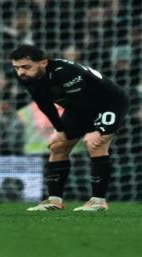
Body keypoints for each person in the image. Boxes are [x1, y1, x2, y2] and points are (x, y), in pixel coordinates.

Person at [10, 44, 130, 211]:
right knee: (58, 146)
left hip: (110, 103)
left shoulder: (64, 71)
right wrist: (59, 130)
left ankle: (98, 202)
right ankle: (54, 201)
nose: (20, 72)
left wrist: (94, 130)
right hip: (77, 106)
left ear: (43, 62)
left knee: (95, 144)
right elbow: (44, 104)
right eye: (16, 67)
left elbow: (83, 102)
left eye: (25, 67)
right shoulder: (26, 77)